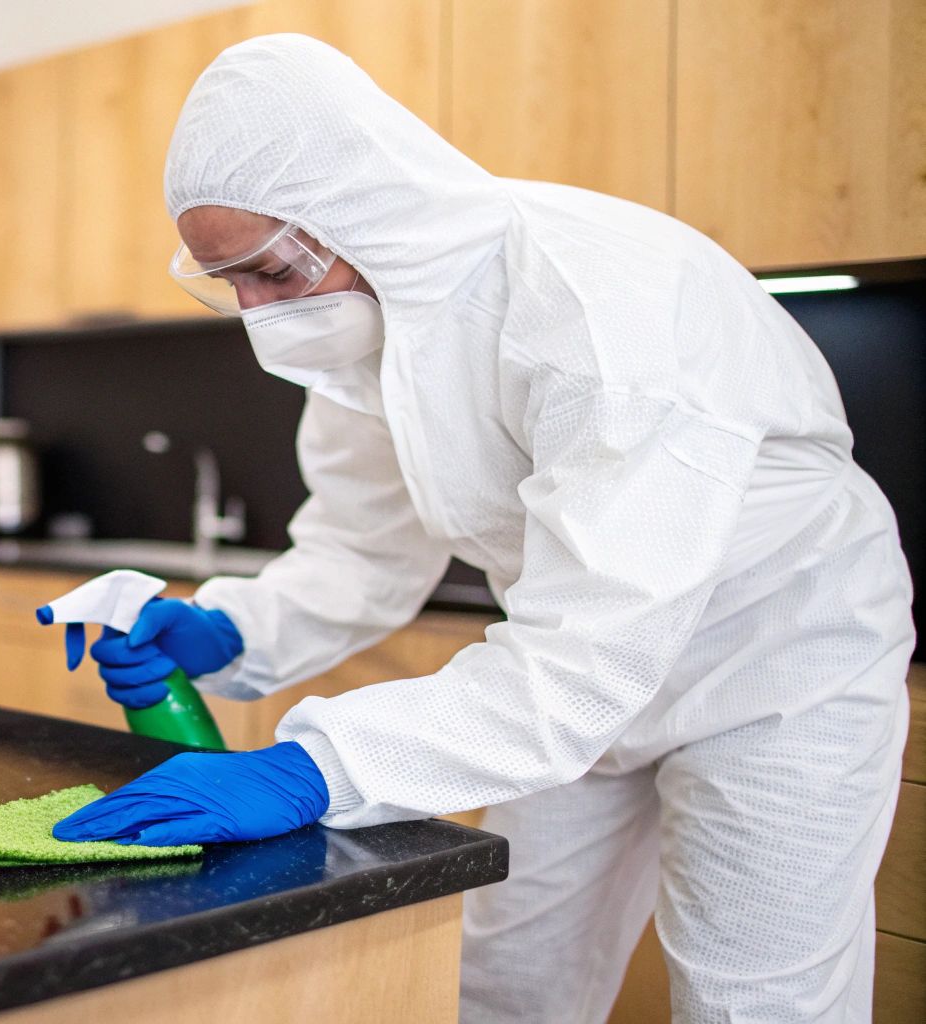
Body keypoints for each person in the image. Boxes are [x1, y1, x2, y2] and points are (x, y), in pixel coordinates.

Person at [49, 34, 914, 1023]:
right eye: (227, 281)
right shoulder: (368, 335)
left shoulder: (591, 309)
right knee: (505, 984)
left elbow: (582, 661)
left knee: (752, 1002)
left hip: (771, 656)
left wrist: (313, 768)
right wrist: (232, 630)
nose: (257, 314)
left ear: (360, 215)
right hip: (573, 678)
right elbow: (363, 548)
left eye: (271, 271)